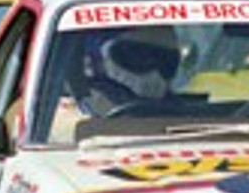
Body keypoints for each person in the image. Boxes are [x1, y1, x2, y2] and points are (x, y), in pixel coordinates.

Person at [48, 25, 181, 141]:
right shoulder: (58, 120)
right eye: (139, 57)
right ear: (95, 64)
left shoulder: (193, 113)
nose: (155, 72)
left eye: (167, 60)